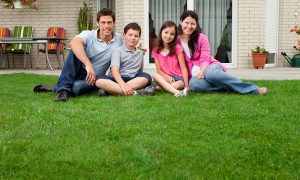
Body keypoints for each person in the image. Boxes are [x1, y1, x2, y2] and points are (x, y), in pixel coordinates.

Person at [34, 8, 123, 102]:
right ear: (98, 23)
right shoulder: (88, 34)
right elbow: (74, 42)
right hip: (78, 69)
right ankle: (63, 90)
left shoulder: (119, 40)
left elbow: (129, 48)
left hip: (93, 78)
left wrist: (140, 49)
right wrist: (88, 65)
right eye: (103, 22)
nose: (106, 26)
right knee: (75, 50)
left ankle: (56, 88)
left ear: (114, 23)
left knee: (76, 88)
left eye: (109, 22)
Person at [177, 10, 268, 95]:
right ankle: (227, 86)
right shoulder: (177, 41)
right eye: (187, 23)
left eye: (192, 23)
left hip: (209, 67)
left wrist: (202, 70)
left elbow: (205, 58)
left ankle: (253, 89)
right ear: (181, 21)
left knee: (210, 74)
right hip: (196, 76)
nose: (189, 26)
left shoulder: (202, 38)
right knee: (194, 84)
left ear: (196, 25)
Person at [95, 23, 153, 96]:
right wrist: (123, 85)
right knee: (99, 80)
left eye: (136, 36)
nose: (133, 38)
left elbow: (140, 71)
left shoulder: (140, 53)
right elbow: (114, 71)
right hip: (116, 79)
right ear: (124, 35)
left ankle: (110, 91)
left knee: (146, 77)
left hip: (132, 79)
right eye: (130, 35)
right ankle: (135, 92)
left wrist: (139, 80)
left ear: (139, 37)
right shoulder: (118, 51)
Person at [152, 21, 189, 97]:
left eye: (172, 34)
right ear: (161, 32)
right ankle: (177, 92)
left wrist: (186, 86)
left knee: (175, 85)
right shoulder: (156, 50)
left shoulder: (177, 48)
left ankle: (163, 88)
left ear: (175, 36)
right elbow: (159, 70)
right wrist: (167, 77)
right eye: (166, 32)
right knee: (155, 76)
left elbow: (184, 69)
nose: (168, 36)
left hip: (179, 79)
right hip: (165, 78)